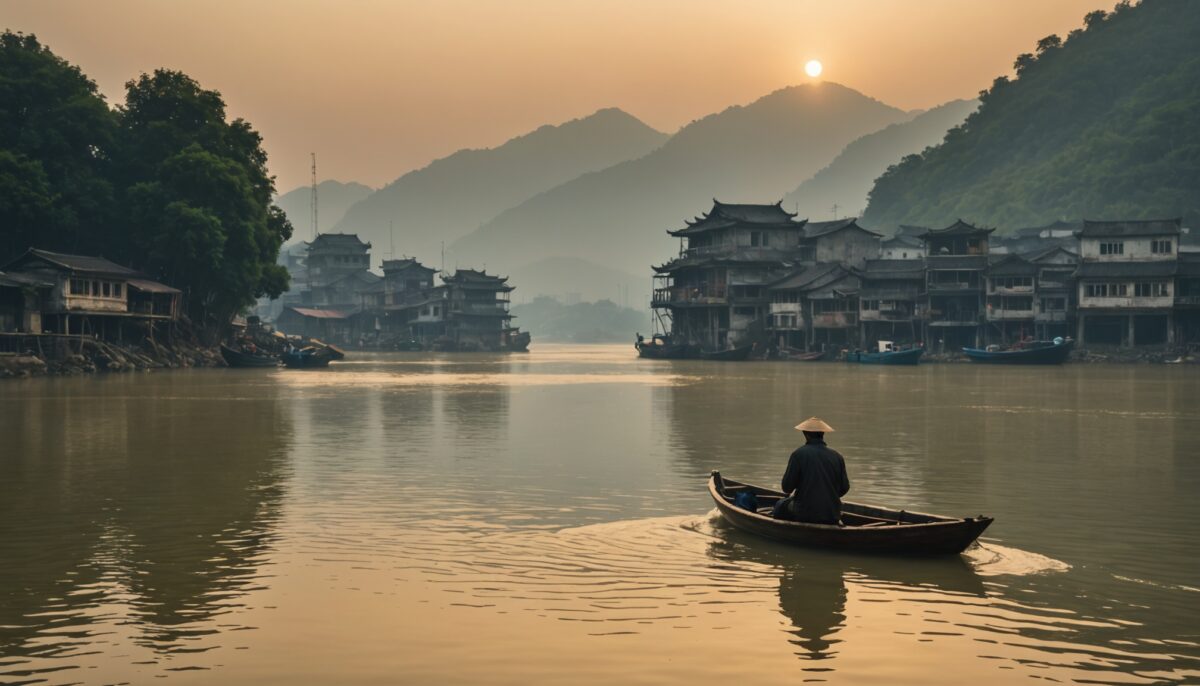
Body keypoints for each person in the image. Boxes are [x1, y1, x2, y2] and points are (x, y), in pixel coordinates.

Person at [773, 417, 850, 525]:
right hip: (832, 513)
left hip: (805, 512)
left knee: (780, 505)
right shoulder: (837, 456)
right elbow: (844, 488)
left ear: (805, 434)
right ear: (823, 434)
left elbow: (786, 488)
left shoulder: (798, 455)